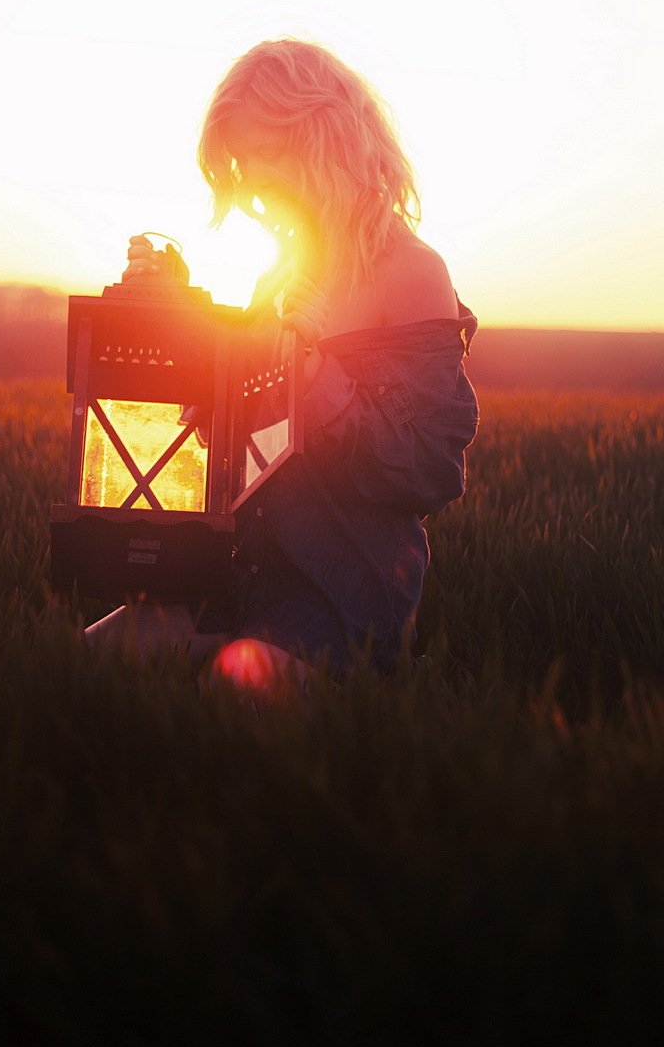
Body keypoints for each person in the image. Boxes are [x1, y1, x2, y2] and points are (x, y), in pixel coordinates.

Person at [85, 39, 479, 693]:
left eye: (261, 155)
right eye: (238, 165)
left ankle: (362, 690)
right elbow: (235, 440)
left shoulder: (413, 272)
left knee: (230, 694)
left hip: (337, 599)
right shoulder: (280, 273)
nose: (249, 184)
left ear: (321, 136)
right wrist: (171, 317)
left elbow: (428, 469)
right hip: (235, 578)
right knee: (84, 660)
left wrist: (318, 371)